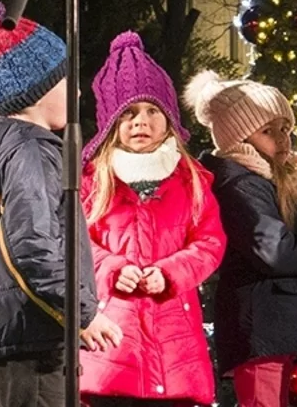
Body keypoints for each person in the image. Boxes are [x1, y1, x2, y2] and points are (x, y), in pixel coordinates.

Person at [0, 0, 120, 407]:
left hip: (29, 331)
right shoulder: (30, 152)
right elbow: (33, 246)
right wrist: (82, 312)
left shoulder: (14, 149)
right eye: (67, 79)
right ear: (39, 90)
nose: (76, 89)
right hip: (36, 335)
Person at [79, 32, 225, 407]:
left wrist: (173, 272)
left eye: (151, 111)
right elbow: (75, 242)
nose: (140, 122)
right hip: (112, 346)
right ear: (111, 122)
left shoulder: (188, 179)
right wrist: (110, 268)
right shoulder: (94, 181)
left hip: (174, 346)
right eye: (128, 113)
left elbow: (210, 241)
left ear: (169, 118)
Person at [184, 71, 297, 407]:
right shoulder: (240, 185)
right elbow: (274, 249)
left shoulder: (268, 180)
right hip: (261, 325)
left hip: (277, 323)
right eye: (268, 131)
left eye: (285, 128)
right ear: (238, 136)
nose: (282, 138)